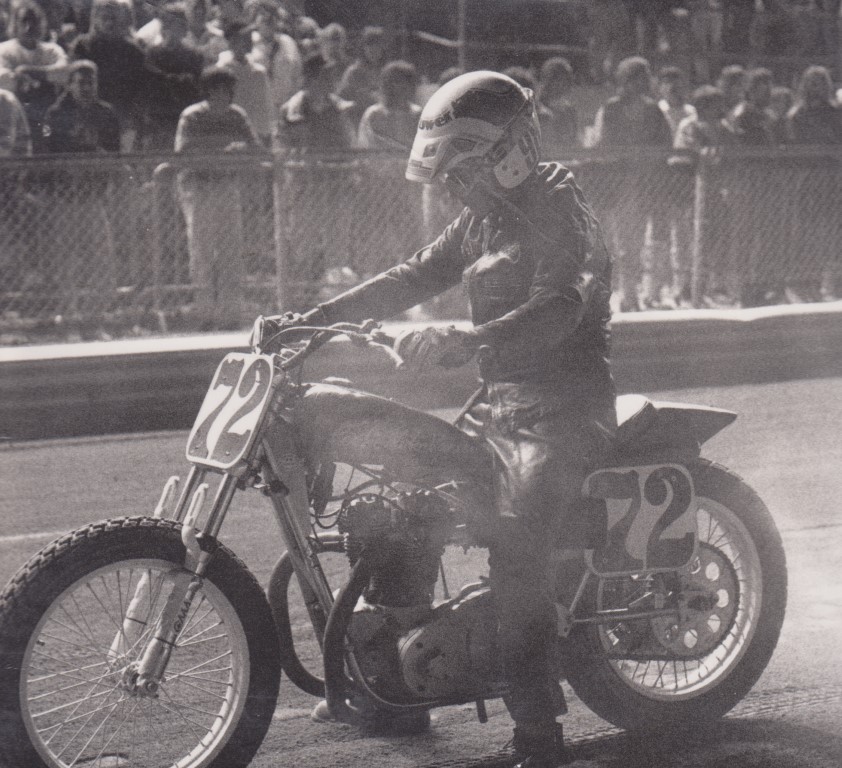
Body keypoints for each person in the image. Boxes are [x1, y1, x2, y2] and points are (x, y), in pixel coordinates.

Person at [267, 70, 616, 768]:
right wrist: (311, 321)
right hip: (501, 404)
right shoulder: (482, 216)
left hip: (564, 408)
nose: (453, 186)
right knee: (401, 505)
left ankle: (540, 732)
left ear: (506, 152)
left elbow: (562, 307)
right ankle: (398, 691)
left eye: (463, 170)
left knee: (516, 548)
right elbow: (413, 274)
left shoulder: (558, 205)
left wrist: (468, 341)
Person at [175, 65, 261, 328]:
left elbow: (255, 147)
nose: (224, 93)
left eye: (228, 88)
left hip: (227, 187)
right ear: (208, 90)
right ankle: (204, 312)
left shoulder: (237, 116)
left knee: (230, 250)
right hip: (199, 189)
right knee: (201, 250)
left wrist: (241, 149)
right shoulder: (192, 116)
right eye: (218, 88)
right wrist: (222, 150)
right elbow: (184, 150)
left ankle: (230, 314)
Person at [592, 55, 672, 311]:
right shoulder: (611, 109)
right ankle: (628, 295)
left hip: (650, 183)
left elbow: (666, 143)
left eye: (643, 79)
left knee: (652, 239)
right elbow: (602, 143)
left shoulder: (654, 110)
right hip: (621, 184)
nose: (640, 84)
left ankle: (650, 293)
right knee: (626, 242)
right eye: (635, 79)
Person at [71, 0, 147, 151]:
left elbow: (140, 90)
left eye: (114, 18)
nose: (109, 22)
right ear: (95, 18)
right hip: (89, 115)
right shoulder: (83, 46)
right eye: (104, 18)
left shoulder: (133, 51)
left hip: (123, 116)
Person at [0, 2, 68, 152]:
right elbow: (3, 80)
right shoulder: (4, 50)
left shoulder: (52, 50)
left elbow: (64, 73)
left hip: (46, 116)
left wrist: (26, 70)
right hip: (13, 116)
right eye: (24, 20)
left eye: (34, 21)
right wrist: (45, 75)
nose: (29, 26)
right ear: (15, 24)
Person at [143, 2, 204, 151]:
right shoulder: (152, 54)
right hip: (158, 119)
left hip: (184, 117)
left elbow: (195, 87)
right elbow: (151, 84)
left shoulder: (193, 55)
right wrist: (179, 80)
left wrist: (167, 79)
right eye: (169, 25)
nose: (173, 30)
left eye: (178, 25)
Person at [277, 52, 354, 151]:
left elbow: (350, 147)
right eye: (325, 75)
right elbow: (282, 152)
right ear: (311, 79)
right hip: (302, 165)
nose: (331, 80)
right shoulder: (289, 111)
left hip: (335, 165)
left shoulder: (340, 108)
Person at [217, 20, 271, 144]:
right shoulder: (221, 71)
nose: (249, 41)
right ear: (232, 42)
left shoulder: (259, 72)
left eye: (249, 37)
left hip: (254, 137)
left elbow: (265, 109)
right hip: (227, 135)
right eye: (243, 38)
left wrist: (265, 136)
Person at [357, 59, 420, 150]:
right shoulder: (374, 114)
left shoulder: (417, 114)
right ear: (386, 85)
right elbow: (366, 147)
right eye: (395, 82)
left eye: (405, 82)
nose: (400, 87)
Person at [337, 24, 387, 130]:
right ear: (363, 48)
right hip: (358, 123)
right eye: (370, 45)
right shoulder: (353, 72)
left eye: (377, 45)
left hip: (382, 125)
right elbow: (341, 100)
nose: (374, 50)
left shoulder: (386, 72)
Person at [536, 57, 578, 152]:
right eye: (555, 79)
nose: (562, 86)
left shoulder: (569, 110)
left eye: (566, 81)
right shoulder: (536, 107)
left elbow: (573, 141)